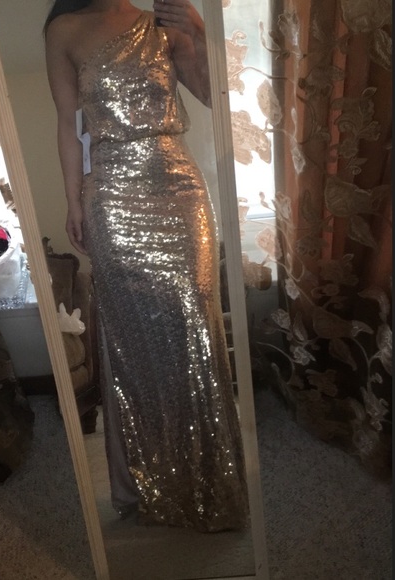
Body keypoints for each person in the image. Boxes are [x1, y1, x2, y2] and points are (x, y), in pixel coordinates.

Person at [43, 0, 249, 532]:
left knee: (194, 326)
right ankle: (151, 485)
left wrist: (198, 33)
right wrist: (74, 201)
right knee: (134, 340)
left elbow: (215, 97)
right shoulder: (64, 30)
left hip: (177, 186)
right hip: (112, 192)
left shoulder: (164, 22)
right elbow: (67, 124)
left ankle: (208, 482)